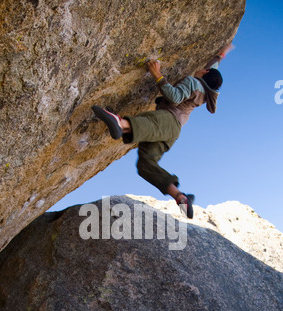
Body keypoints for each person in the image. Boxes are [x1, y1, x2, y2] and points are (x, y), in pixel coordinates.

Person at [92, 43, 234, 219]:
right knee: (145, 165)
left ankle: (120, 124)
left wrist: (157, 74)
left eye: (205, 70)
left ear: (204, 74)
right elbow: (212, 68)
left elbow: (174, 96)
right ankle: (180, 197)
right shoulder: (204, 94)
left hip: (169, 120)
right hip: (173, 132)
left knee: (148, 122)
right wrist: (221, 55)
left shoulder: (193, 82)